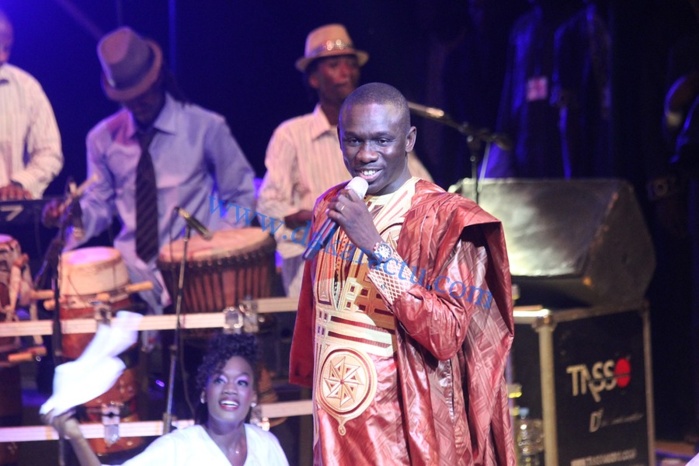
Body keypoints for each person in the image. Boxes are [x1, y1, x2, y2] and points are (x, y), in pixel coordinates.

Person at [289, 83, 515, 464]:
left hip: (403, 435)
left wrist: (376, 248)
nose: (365, 155)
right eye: (353, 141)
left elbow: (445, 334)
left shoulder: (447, 219)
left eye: (382, 140)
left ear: (409, 139)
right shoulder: (329, 205)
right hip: (334, 425)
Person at [43, 26, 256, 318]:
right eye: (128, 97)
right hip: (131, 272)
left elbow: (241, 195)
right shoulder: (102, 138)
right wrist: (74, 215)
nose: (137, 103)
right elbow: (99, 205)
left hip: (193, 266)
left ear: (158, 78)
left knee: (195, 359)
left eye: (142, 92)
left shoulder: (205, 126)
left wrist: (216, 247)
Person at [256, 24, 431, 297]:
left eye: (350, 64)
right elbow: (268, 206)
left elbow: (422, 189)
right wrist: (313, 217)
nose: (345, 73)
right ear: (313, 78)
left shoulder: (383, 129)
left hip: (373, 276)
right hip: (315, 273)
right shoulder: (291, 134)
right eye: (334, 65)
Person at [46, 332, 289, 465]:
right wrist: (76, 436)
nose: (230, 389)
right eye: (219, 379)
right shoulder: (178, 448)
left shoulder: (266, 445)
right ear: (204, 393)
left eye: (242, 382)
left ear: (253, 396)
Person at [0, 8, 63, 201]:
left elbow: (49, 153)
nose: (3, 57)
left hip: (10, 218)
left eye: (6, 48)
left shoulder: (27, 87)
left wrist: (19, 184)